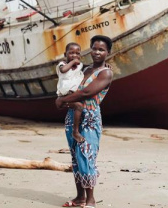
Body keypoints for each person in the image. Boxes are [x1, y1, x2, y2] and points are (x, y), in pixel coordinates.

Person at [56, 35, 113, 208]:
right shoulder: (83, 68)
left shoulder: (106, 73)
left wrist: (62, 101)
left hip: (90, 118)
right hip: (73, 116)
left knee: (86, 156)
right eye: (94, 48)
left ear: (108, 52)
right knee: (75, 158)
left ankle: (90, 200)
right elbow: (66, 80)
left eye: (101, 49)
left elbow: (87, 92)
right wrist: (64, 99)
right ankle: (80, 197)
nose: (97, 52)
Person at [57, 42, 85, 143]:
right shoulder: (62, 64)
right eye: (71, 53)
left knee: (80, 107)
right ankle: (75, 132)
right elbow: (63, 70)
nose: (74, 56)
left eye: (77, 53)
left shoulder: (80, 66)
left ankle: (77, 128)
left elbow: (91, 69)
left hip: (73, 94)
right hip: (65, 94)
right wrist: (73, 62)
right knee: (79, 106)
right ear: (65, 55)